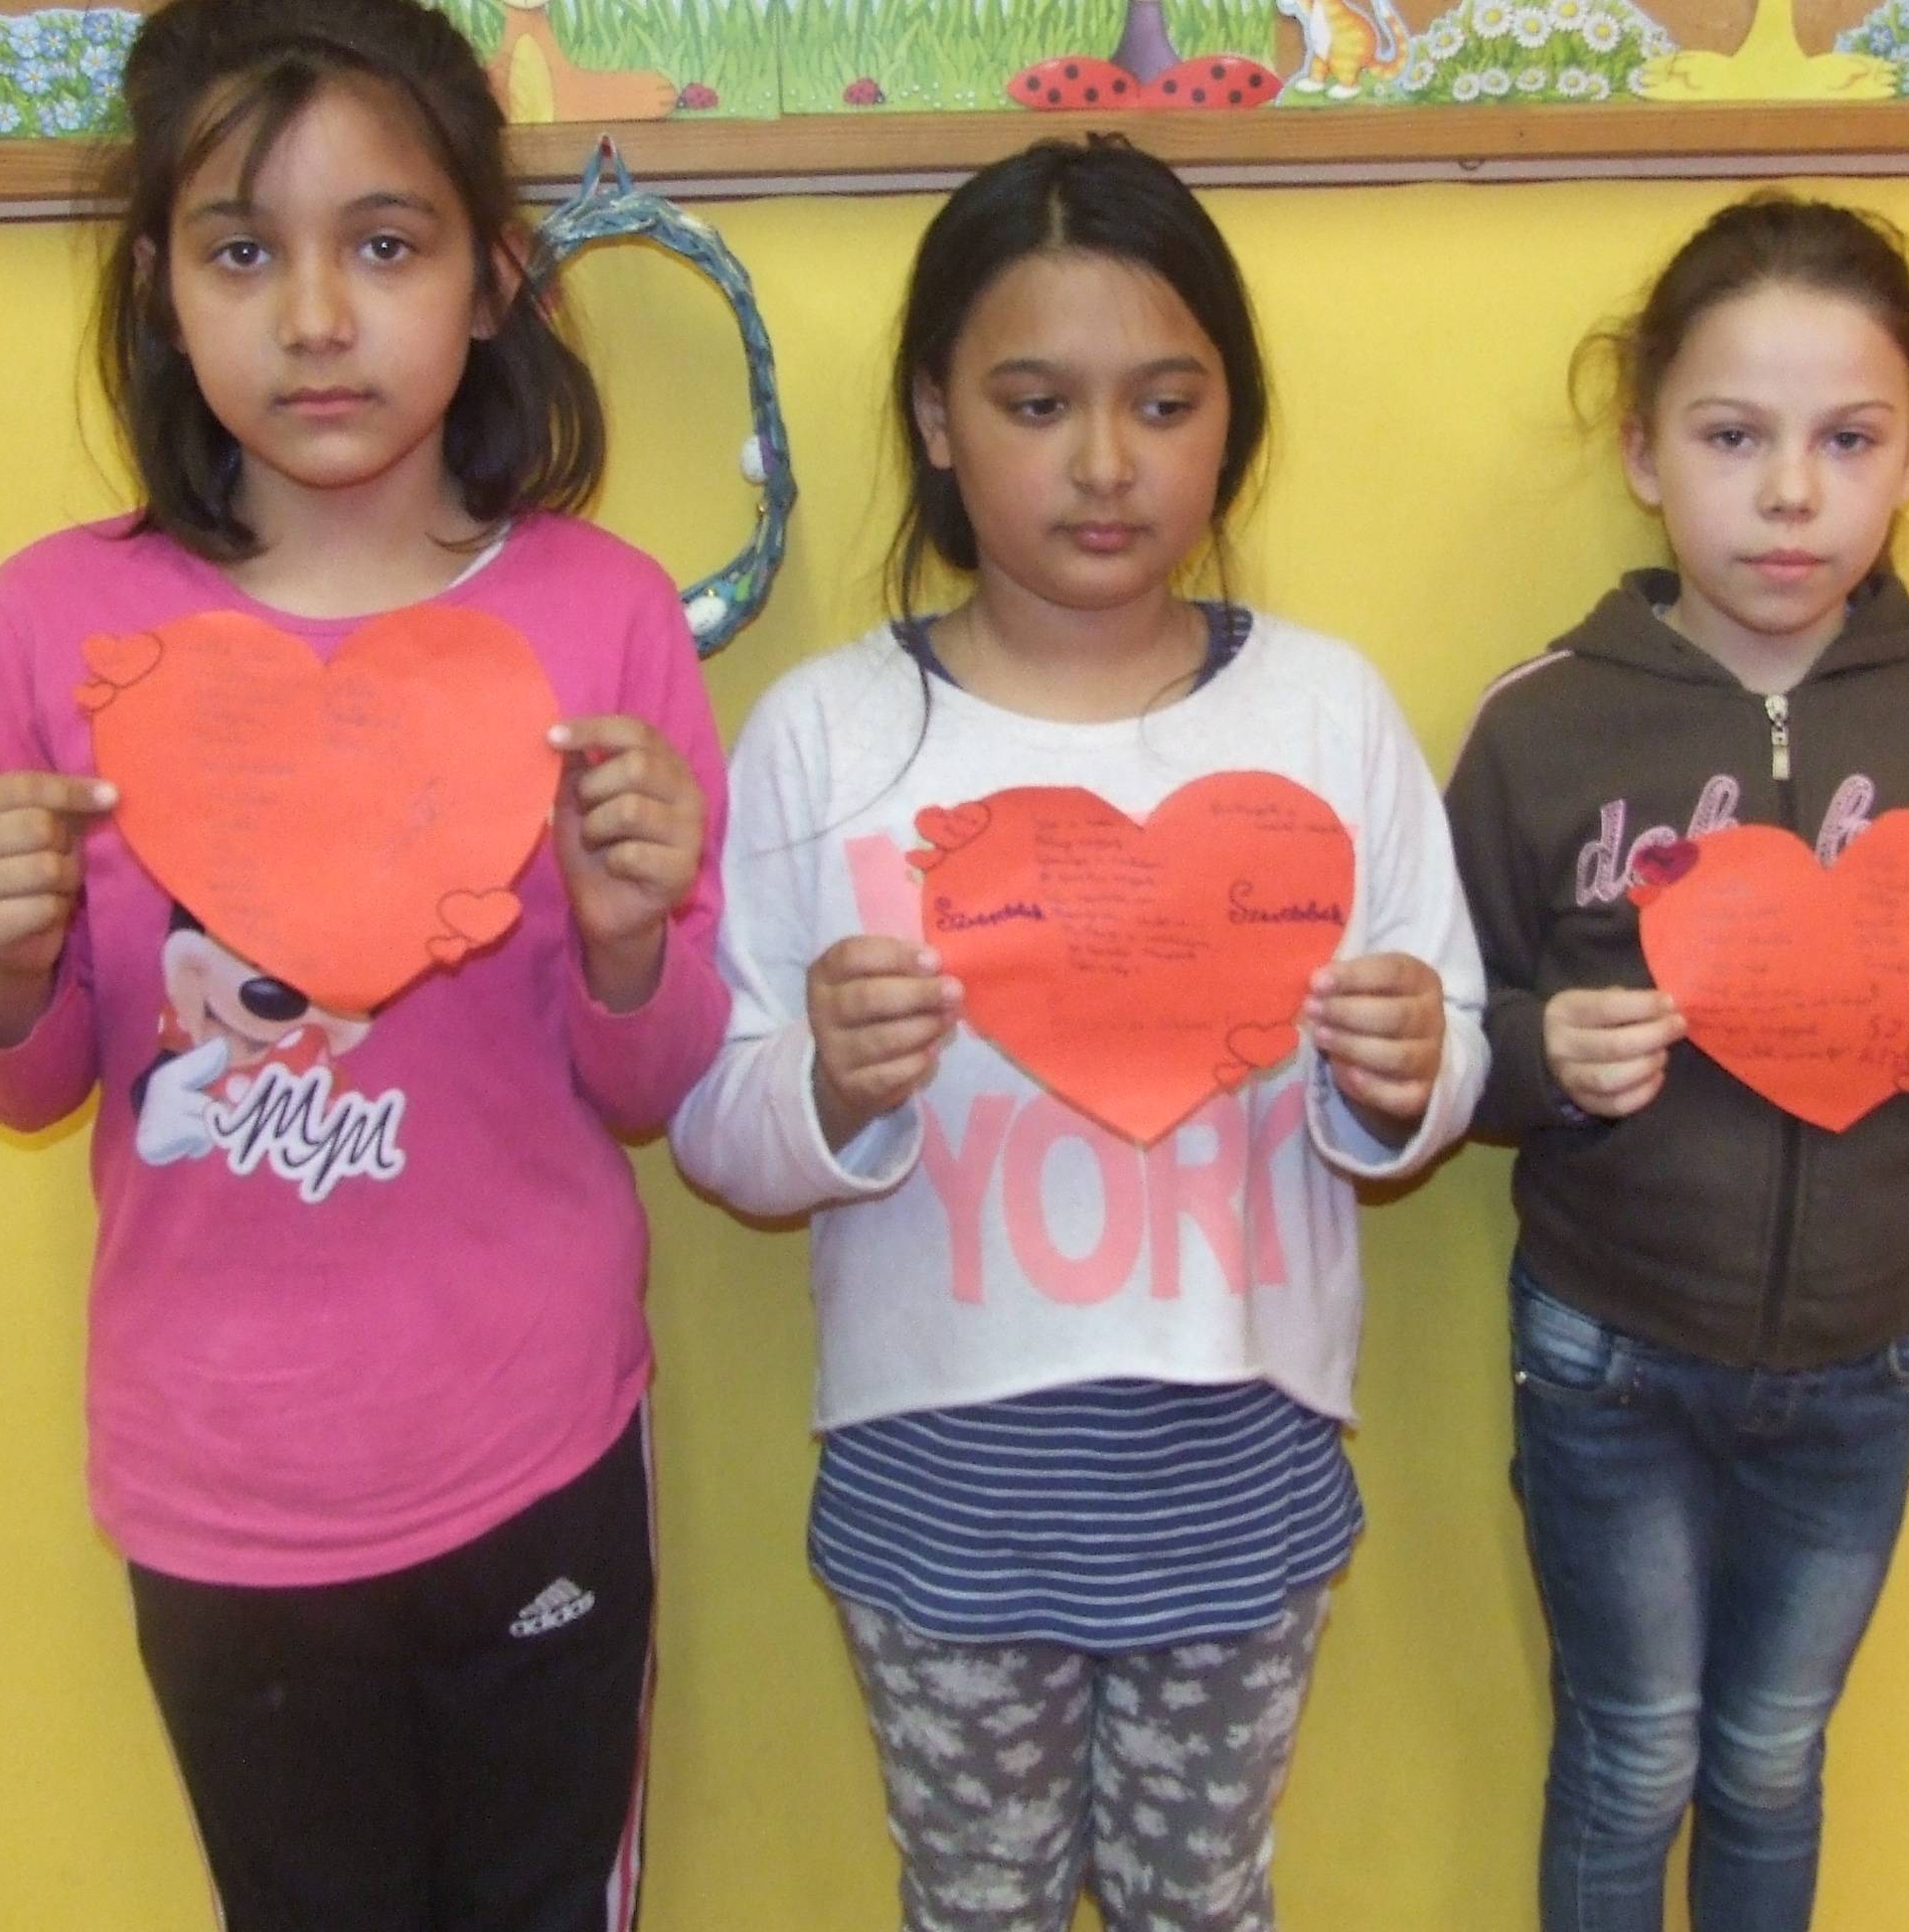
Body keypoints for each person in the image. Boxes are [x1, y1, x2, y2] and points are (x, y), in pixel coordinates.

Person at [0, 3, 725, 1924]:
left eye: (383, 244)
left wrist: (630, 936)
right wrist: (6, 967)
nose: (312, 318)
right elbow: (23, 1078)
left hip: (533, 1439)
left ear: (493, 279)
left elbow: (653, 1082)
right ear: (158, 285)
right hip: (221, 1475)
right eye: (239, 251)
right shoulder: (61, 616)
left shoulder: (600, 610)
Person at [671, 136, 1487, 1932]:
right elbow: (717, 1118)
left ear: (1230, 419)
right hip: (940, 1495)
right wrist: (830, 1087)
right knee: (978, 1903)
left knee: (1208, 1897)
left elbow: (1450, 1043)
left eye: (1164, 404)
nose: (1105, 463)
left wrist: (1407, 1072)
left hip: (1239, 1478)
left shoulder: (1324, 712)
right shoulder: (827, 733)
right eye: (1036, 404)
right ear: (937, 418)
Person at [1444, 192, 1909, 1932]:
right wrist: (1536, 1052)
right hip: (1607, 1350)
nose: (1793, 493)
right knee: (1632, 1752)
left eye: (1849, 439)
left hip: (1868, 1350)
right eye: (1735, 436)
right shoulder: (1542, 722)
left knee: (1769, 1754)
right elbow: (1444, 1030)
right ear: (1643, 450)